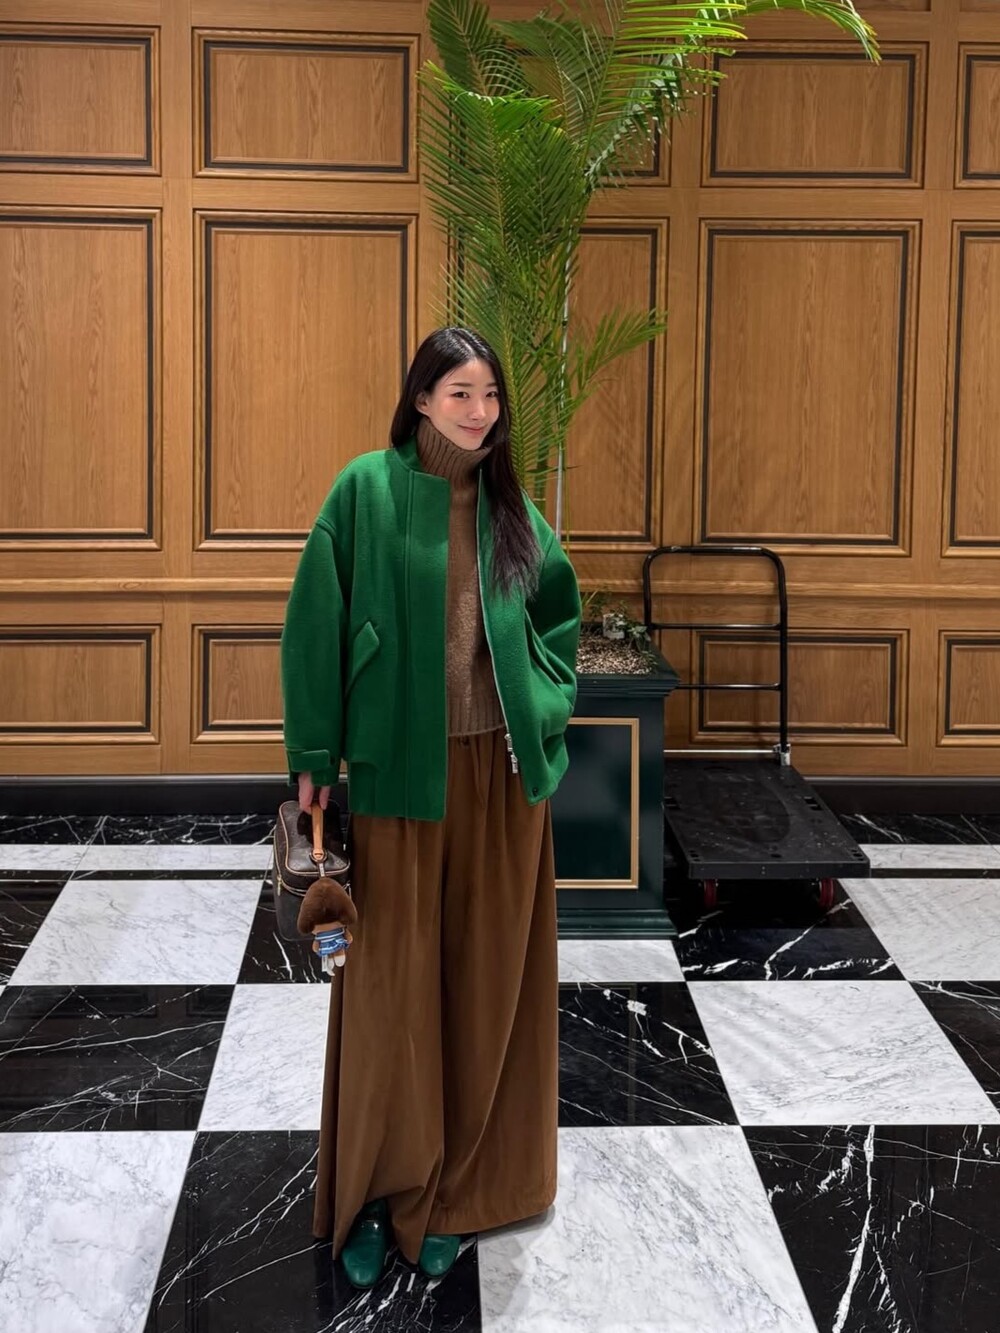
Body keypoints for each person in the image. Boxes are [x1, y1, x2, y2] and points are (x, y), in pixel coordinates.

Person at [280, 326, 582, 1289]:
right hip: (398, 781)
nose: (480, 412)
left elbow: (559, 622)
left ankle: (456, 1193)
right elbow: (315, 619)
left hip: (497, 785)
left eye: (491, 395)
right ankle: (377, 1191)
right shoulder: (363, 492)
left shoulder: (511, 509)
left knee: (485, 990)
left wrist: (538, 703)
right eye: (460, 393)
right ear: (420, 398)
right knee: (388, 1000)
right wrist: (314, 753)